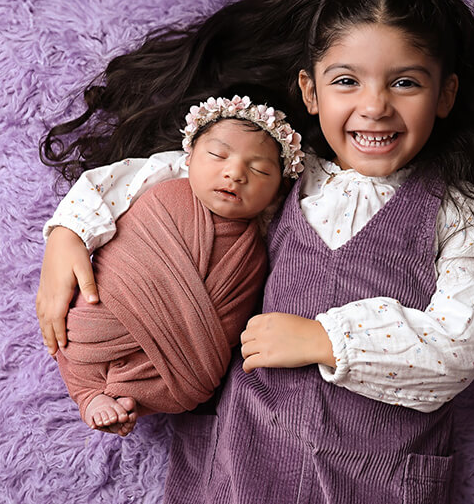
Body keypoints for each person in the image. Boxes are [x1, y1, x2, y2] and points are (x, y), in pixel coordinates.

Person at [37, 0, 474, 503]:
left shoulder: (469, 216)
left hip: (376, 474)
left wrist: (325, 338)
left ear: (446, 95)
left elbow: (457, 349)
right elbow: (171, 171)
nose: (375, 107)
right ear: (311, 93)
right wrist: (69, 230)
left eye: (406, 83)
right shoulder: (282, 173)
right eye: (346, 81)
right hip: (243, 458)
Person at [53, 94, 304, 437]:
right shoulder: (163, 178)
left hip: (187, 350)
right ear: (189, 157)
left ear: (278, 190)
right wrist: (67, 236)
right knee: (82, 331)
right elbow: (98, 190)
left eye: (259, 169)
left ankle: (120, 398)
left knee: (174, 383)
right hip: (114, 305)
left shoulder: (263, 235)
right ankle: (88, 391)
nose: (234, 173)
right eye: (217, 155)